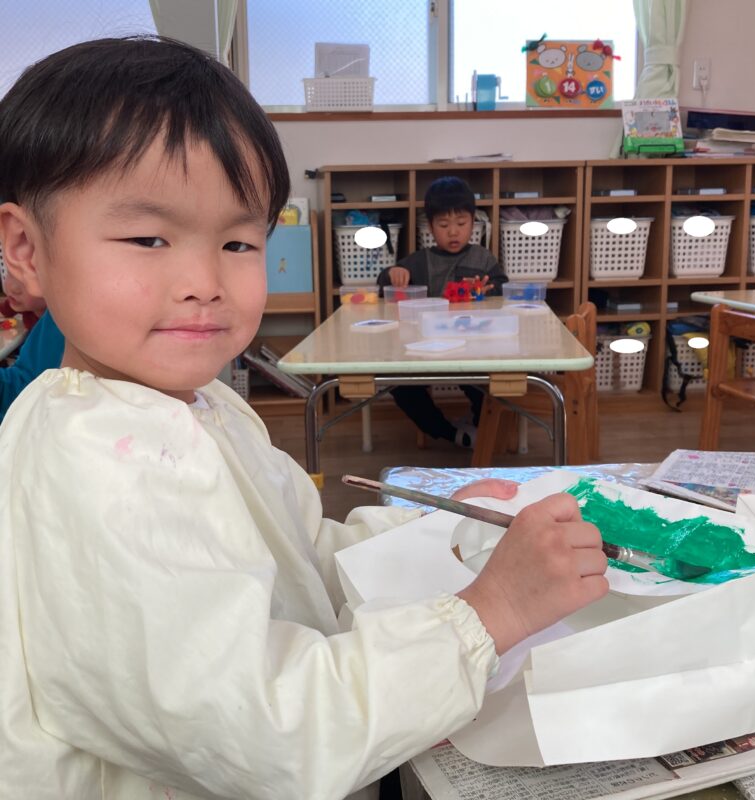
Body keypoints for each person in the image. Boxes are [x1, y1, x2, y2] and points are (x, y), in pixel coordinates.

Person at [0, 36, 608, 800]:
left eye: (238, 241)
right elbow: (265, 736)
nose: (204, 281)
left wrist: (434, 528)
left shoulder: (208, 405)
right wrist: (492, 613)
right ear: (26, 249)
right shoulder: (95, 467)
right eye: (148, 238)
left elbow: (302, 553)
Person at [377, 177, 508, 448]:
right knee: (399, 387)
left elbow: (502, 289)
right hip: (426, 350)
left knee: (487, 385)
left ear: (473, 222)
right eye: (444, 225)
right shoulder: (421, 261)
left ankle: (480, 424)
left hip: (473, 350)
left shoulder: (482, 258)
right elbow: (384, 283)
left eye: (461, 223)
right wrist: (393, 273)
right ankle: (446, 431)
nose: (453, 232)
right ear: (430, 227)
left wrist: (489, 288)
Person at [0, 269, 65, 419]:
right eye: (8, 273)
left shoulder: (60, 321)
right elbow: (24, 382)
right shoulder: (54, 319)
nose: (11, 288)